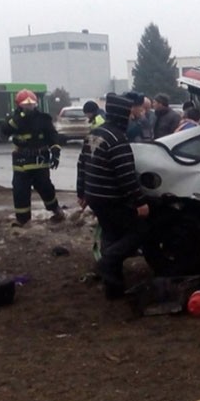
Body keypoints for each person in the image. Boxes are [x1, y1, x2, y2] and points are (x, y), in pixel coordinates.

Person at [76, 93, 152, 299]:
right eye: (128, 115)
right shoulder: (118, 140)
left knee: (112, 236)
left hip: (95, 197)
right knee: (141, 231)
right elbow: (126, 176)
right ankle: (105, 263)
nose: (131, 118)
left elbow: (82, 163)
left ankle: (114, 289)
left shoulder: (95, 134)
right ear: (121, 115)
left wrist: (81, 192)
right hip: (112, 199)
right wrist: (140, 202)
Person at [3, 89, 65, 227]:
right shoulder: (14, 119)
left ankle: (56, 210)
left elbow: (52, 136)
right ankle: (22, 220)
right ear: (19, 105)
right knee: (20, 191)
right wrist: (17, 118)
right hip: (20, 162)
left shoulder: (43, 119)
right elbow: (5, 130)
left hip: (39, 160)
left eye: (32, 104)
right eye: (26, 104)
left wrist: (55, 152)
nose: (29, 107)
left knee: (46, 188)